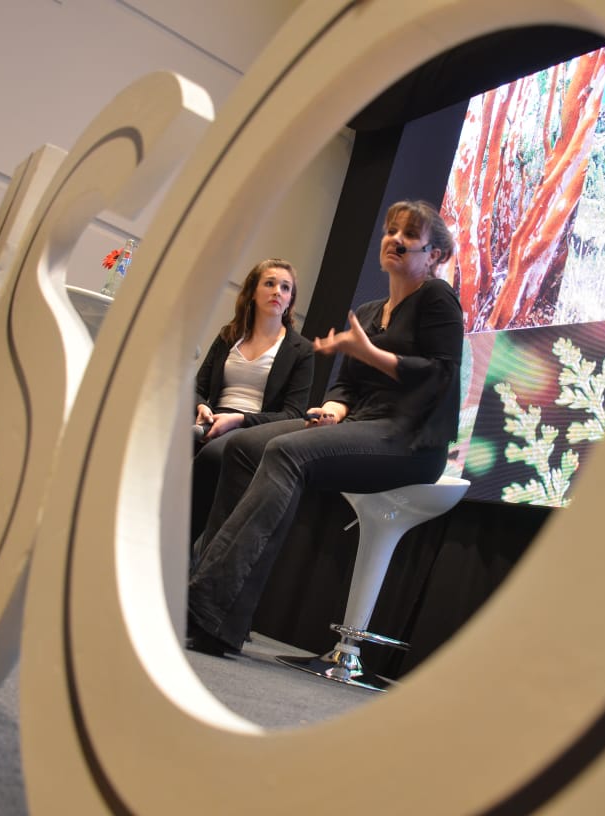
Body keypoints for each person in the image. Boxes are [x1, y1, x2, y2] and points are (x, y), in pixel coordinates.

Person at [187, 200, 464, 657]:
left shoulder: (437, 298)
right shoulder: (371, 310)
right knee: (242, 447)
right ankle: (225, 615)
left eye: (409, 235)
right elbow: (346, 386)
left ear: (433, 254)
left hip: (409, 439)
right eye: (390, 231)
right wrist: (333, 408)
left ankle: (207, 603)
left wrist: (372, 354)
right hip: (361, 423)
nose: (394, 239)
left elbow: (441, 375)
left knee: (287, 452)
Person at [191, 259, 314, 543]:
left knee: (212, 454)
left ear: (290, 300)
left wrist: (239, 420)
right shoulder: (229, 336)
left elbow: (293, 414)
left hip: (253, 429)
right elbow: (197, 388)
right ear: (253, 291)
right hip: (212, 418)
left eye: (286, 287)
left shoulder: (301, 350)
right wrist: (202, 406)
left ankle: (184, 548)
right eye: (270, 283)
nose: (278, 291)